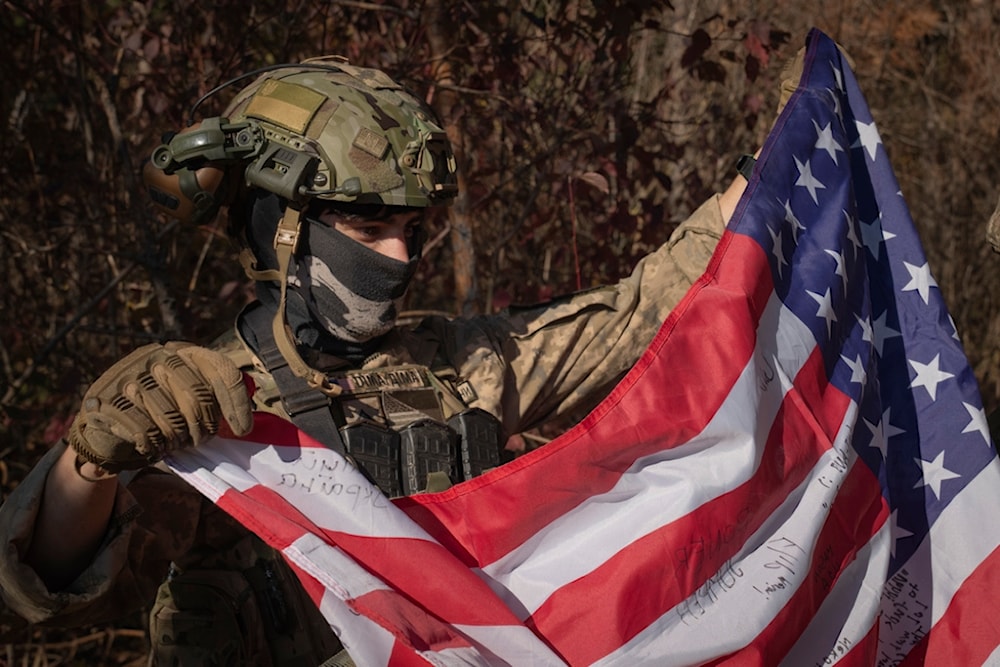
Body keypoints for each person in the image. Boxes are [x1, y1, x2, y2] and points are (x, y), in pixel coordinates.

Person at [0, 56, 752, 665]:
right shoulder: (208, 402)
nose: (400, 255)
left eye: (411, 228)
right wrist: (88, 464)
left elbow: (638, 313)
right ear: (279, 227)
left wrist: (773, 172)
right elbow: (48, 581)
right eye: (369, 224)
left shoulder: (459, 366)